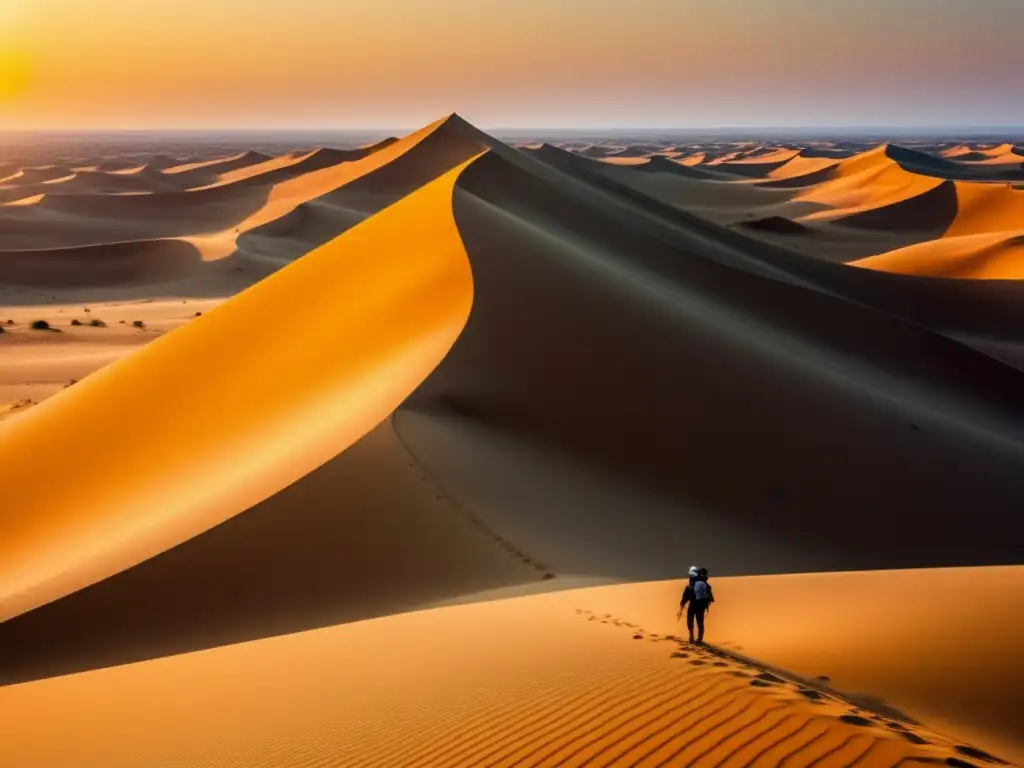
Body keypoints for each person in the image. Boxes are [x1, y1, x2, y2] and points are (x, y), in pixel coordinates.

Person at [678, 565, 715, 644]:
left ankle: (695, 637)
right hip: (700, 605)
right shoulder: (705, 586)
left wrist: (680, 611)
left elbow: (683, 600)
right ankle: (698, 638)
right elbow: (684, 600)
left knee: (693, 621)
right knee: (699, 622)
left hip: (695, 605)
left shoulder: (690, 587)